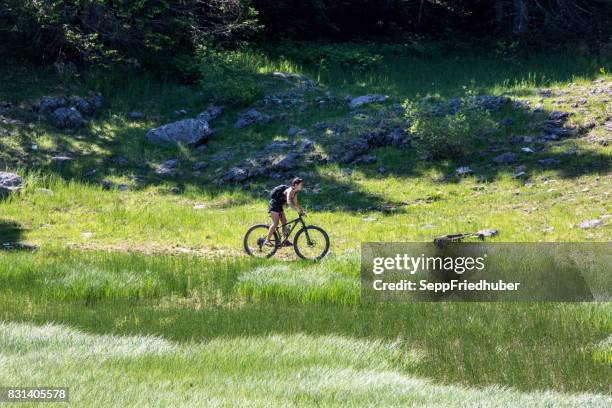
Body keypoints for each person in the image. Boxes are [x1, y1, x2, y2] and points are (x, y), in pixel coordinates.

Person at [264, 177, 306, 247]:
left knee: (284, 222)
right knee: (275, 223)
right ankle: (267, 240)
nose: (302, 186)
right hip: (274, 205)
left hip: (279, 206)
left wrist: (302, 210)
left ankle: (285, 241)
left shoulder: (295, 192)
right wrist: (296, 209)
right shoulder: (289, 190)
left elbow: (296, 202)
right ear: (295, 184)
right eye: (301, 184)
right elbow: (289, 202)